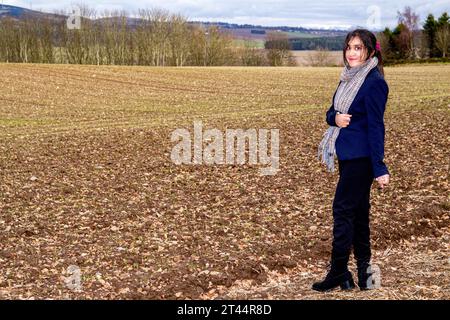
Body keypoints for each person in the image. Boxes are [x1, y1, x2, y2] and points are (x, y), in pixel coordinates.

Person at [314, 29, 390, 292]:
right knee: (358, 213)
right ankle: (364, 277)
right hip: (346, 155)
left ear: (370, 51)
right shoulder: (347, 78)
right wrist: (334, 119)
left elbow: (376, 127)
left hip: (362, 159)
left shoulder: (374, 82)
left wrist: (379, 167)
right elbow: (330, 112)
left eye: (358, 48)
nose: (351, 52)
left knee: (342, 210)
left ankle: (338, 271)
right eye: (348, 47)